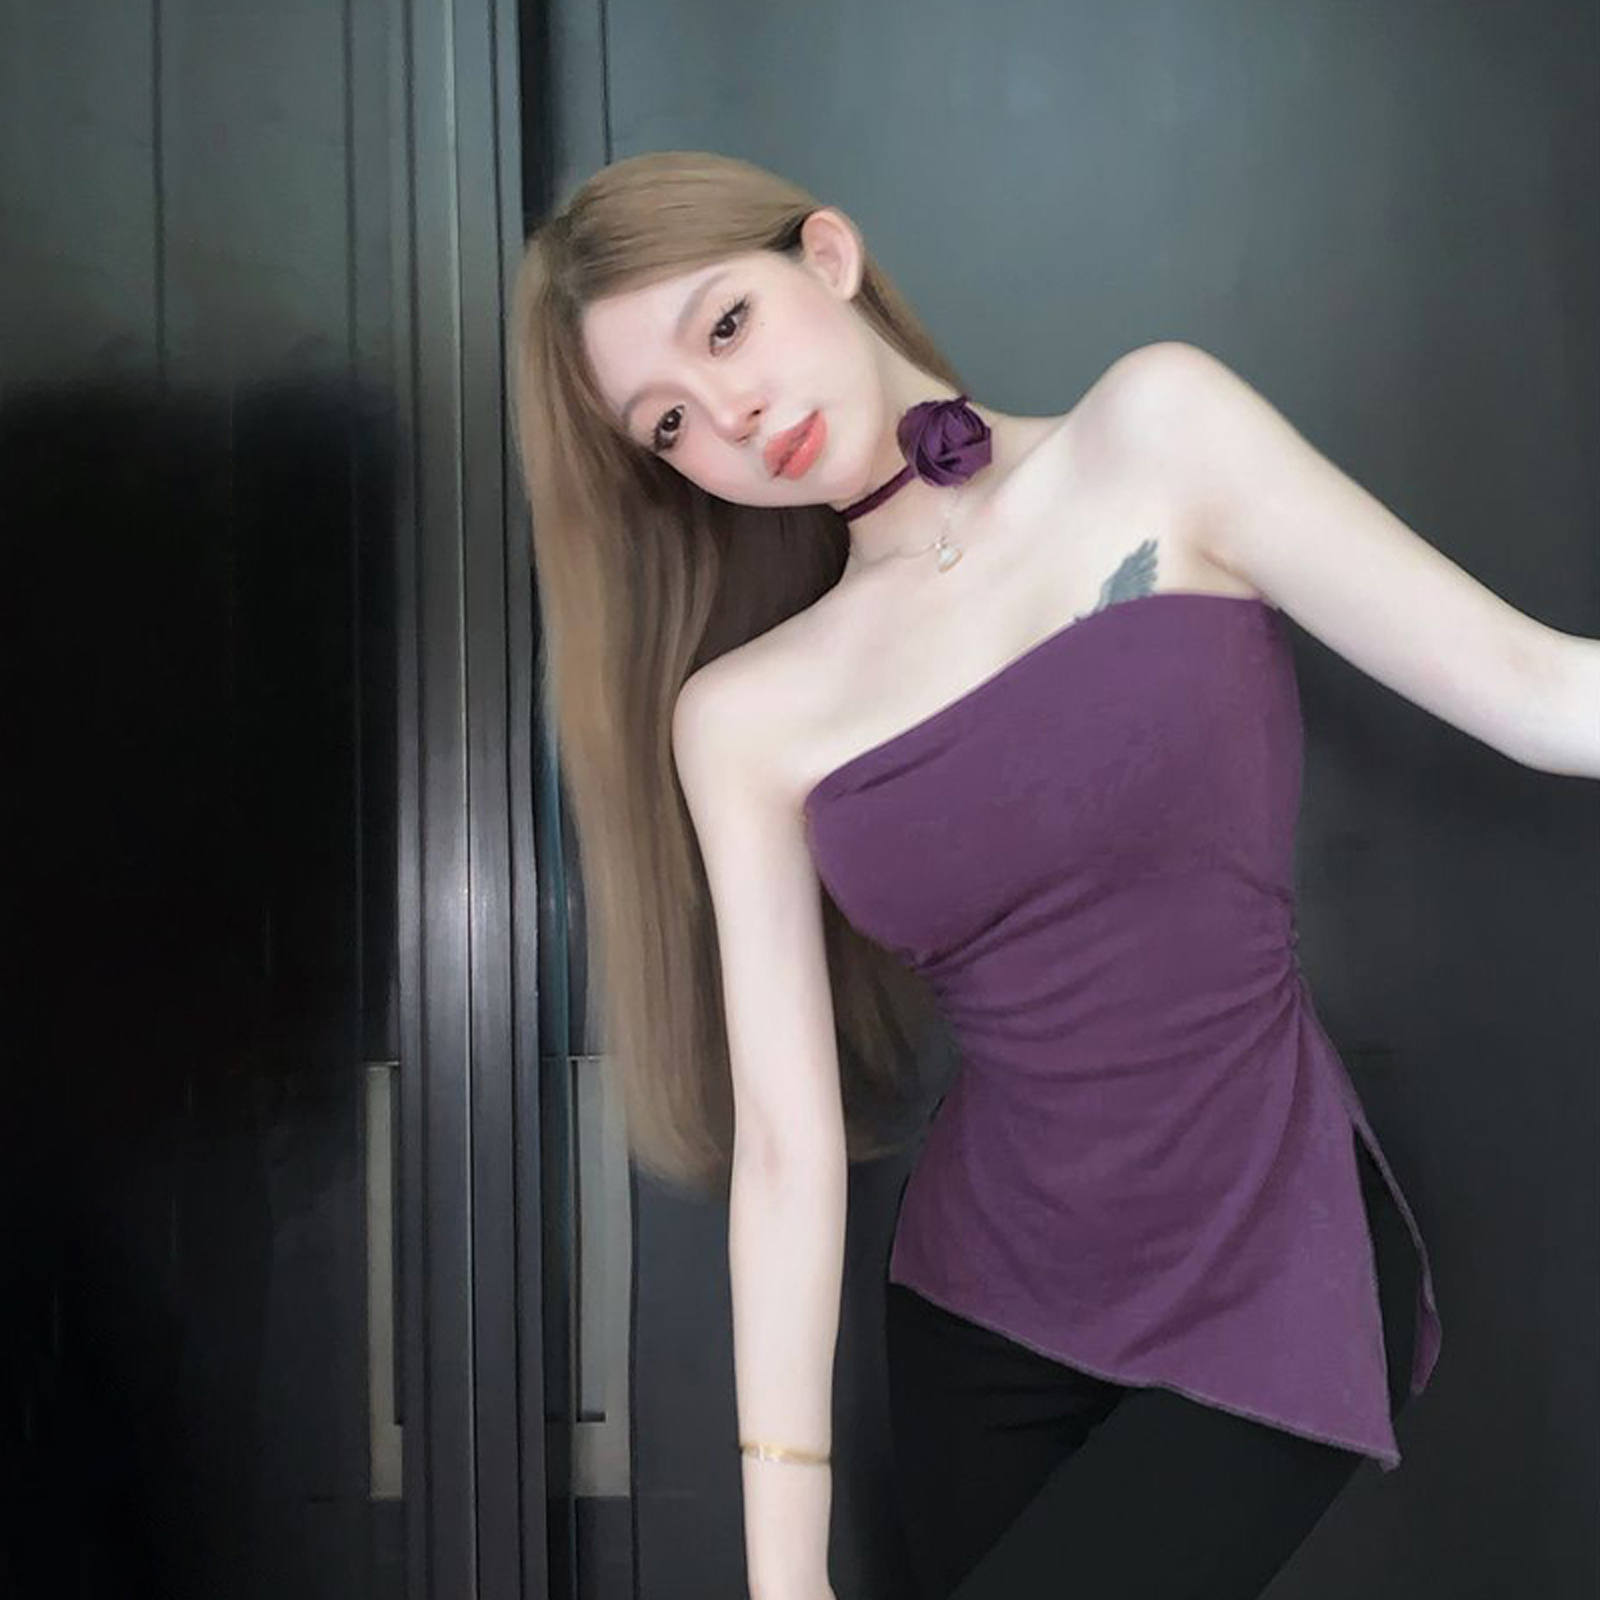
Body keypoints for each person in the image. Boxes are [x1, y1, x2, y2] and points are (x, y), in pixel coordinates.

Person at [507, 149, 1600, 1600]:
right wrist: (782, 1577)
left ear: (825, 256)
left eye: (726, 325)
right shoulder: (745, 715)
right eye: (668, 424)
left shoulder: (1158, 433)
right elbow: (783, 1145)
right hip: (986, 1317)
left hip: (1274, 1251)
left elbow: (1545, 696)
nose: (732, 415)